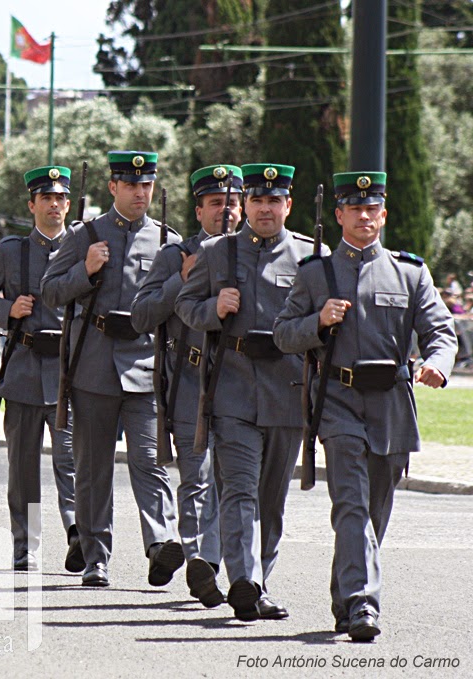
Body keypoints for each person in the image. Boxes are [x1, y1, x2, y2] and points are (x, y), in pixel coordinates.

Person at [273, 171, 457, 641]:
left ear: (383, 215)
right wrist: (318, 320)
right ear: (339, 215)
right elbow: (283, 334)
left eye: (371, 208)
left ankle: (345, 596)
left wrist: (437, 362)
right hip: (338, 401)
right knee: (351, 504)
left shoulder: (410, 271)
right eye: (354, 209)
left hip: (392, 405)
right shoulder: (317, 274)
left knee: (375, 511)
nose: (364, 216)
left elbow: (441, 332)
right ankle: (363, 603)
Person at [175, 163, 328, 621]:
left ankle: (261, 578)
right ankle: (245, 583)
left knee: (271, 499)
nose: (265, 208)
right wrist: (212, 308)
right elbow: (185, 305)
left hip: (287, 389)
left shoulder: (311, 257)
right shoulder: (220, 252)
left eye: (273, 200)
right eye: (257, 200)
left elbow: (328, 322)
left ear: (288, 205)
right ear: (247, 205)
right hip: (233, 389)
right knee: (239, 490)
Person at [41, 151, 183, 588]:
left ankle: (160, 544)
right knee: (93, 467)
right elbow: (50, 291)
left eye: (147, 186)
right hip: (94, 365)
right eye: (132, 185)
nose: (141, 193)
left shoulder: (167, 240)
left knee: (149, 460)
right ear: (113, 188)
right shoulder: (87, 234)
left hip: (143, 362)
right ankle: (95, 556)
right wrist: (85, 270)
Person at [130, 164, 244, 607]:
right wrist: (183, 276)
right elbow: (142, 316)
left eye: (232, 203)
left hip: (241, 383)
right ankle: (200, 561)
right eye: (216, 204)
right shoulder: (173, 254)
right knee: (196, 477)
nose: (226, 211)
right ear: (199, 211)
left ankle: (210, 560)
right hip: (190, 382)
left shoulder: (254, 253)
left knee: (231, 481)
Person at [0, 165, 81, 574]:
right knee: (23, 468)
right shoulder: (11, 250)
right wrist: (8, 310)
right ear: (32, 204)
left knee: (73, 462)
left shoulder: (84, 246)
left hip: (71, 372)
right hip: (24, 369)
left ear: (69, 204)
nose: (54, 204)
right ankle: (24, 545)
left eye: (60, 198)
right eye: (46, 198)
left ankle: (77, 535)